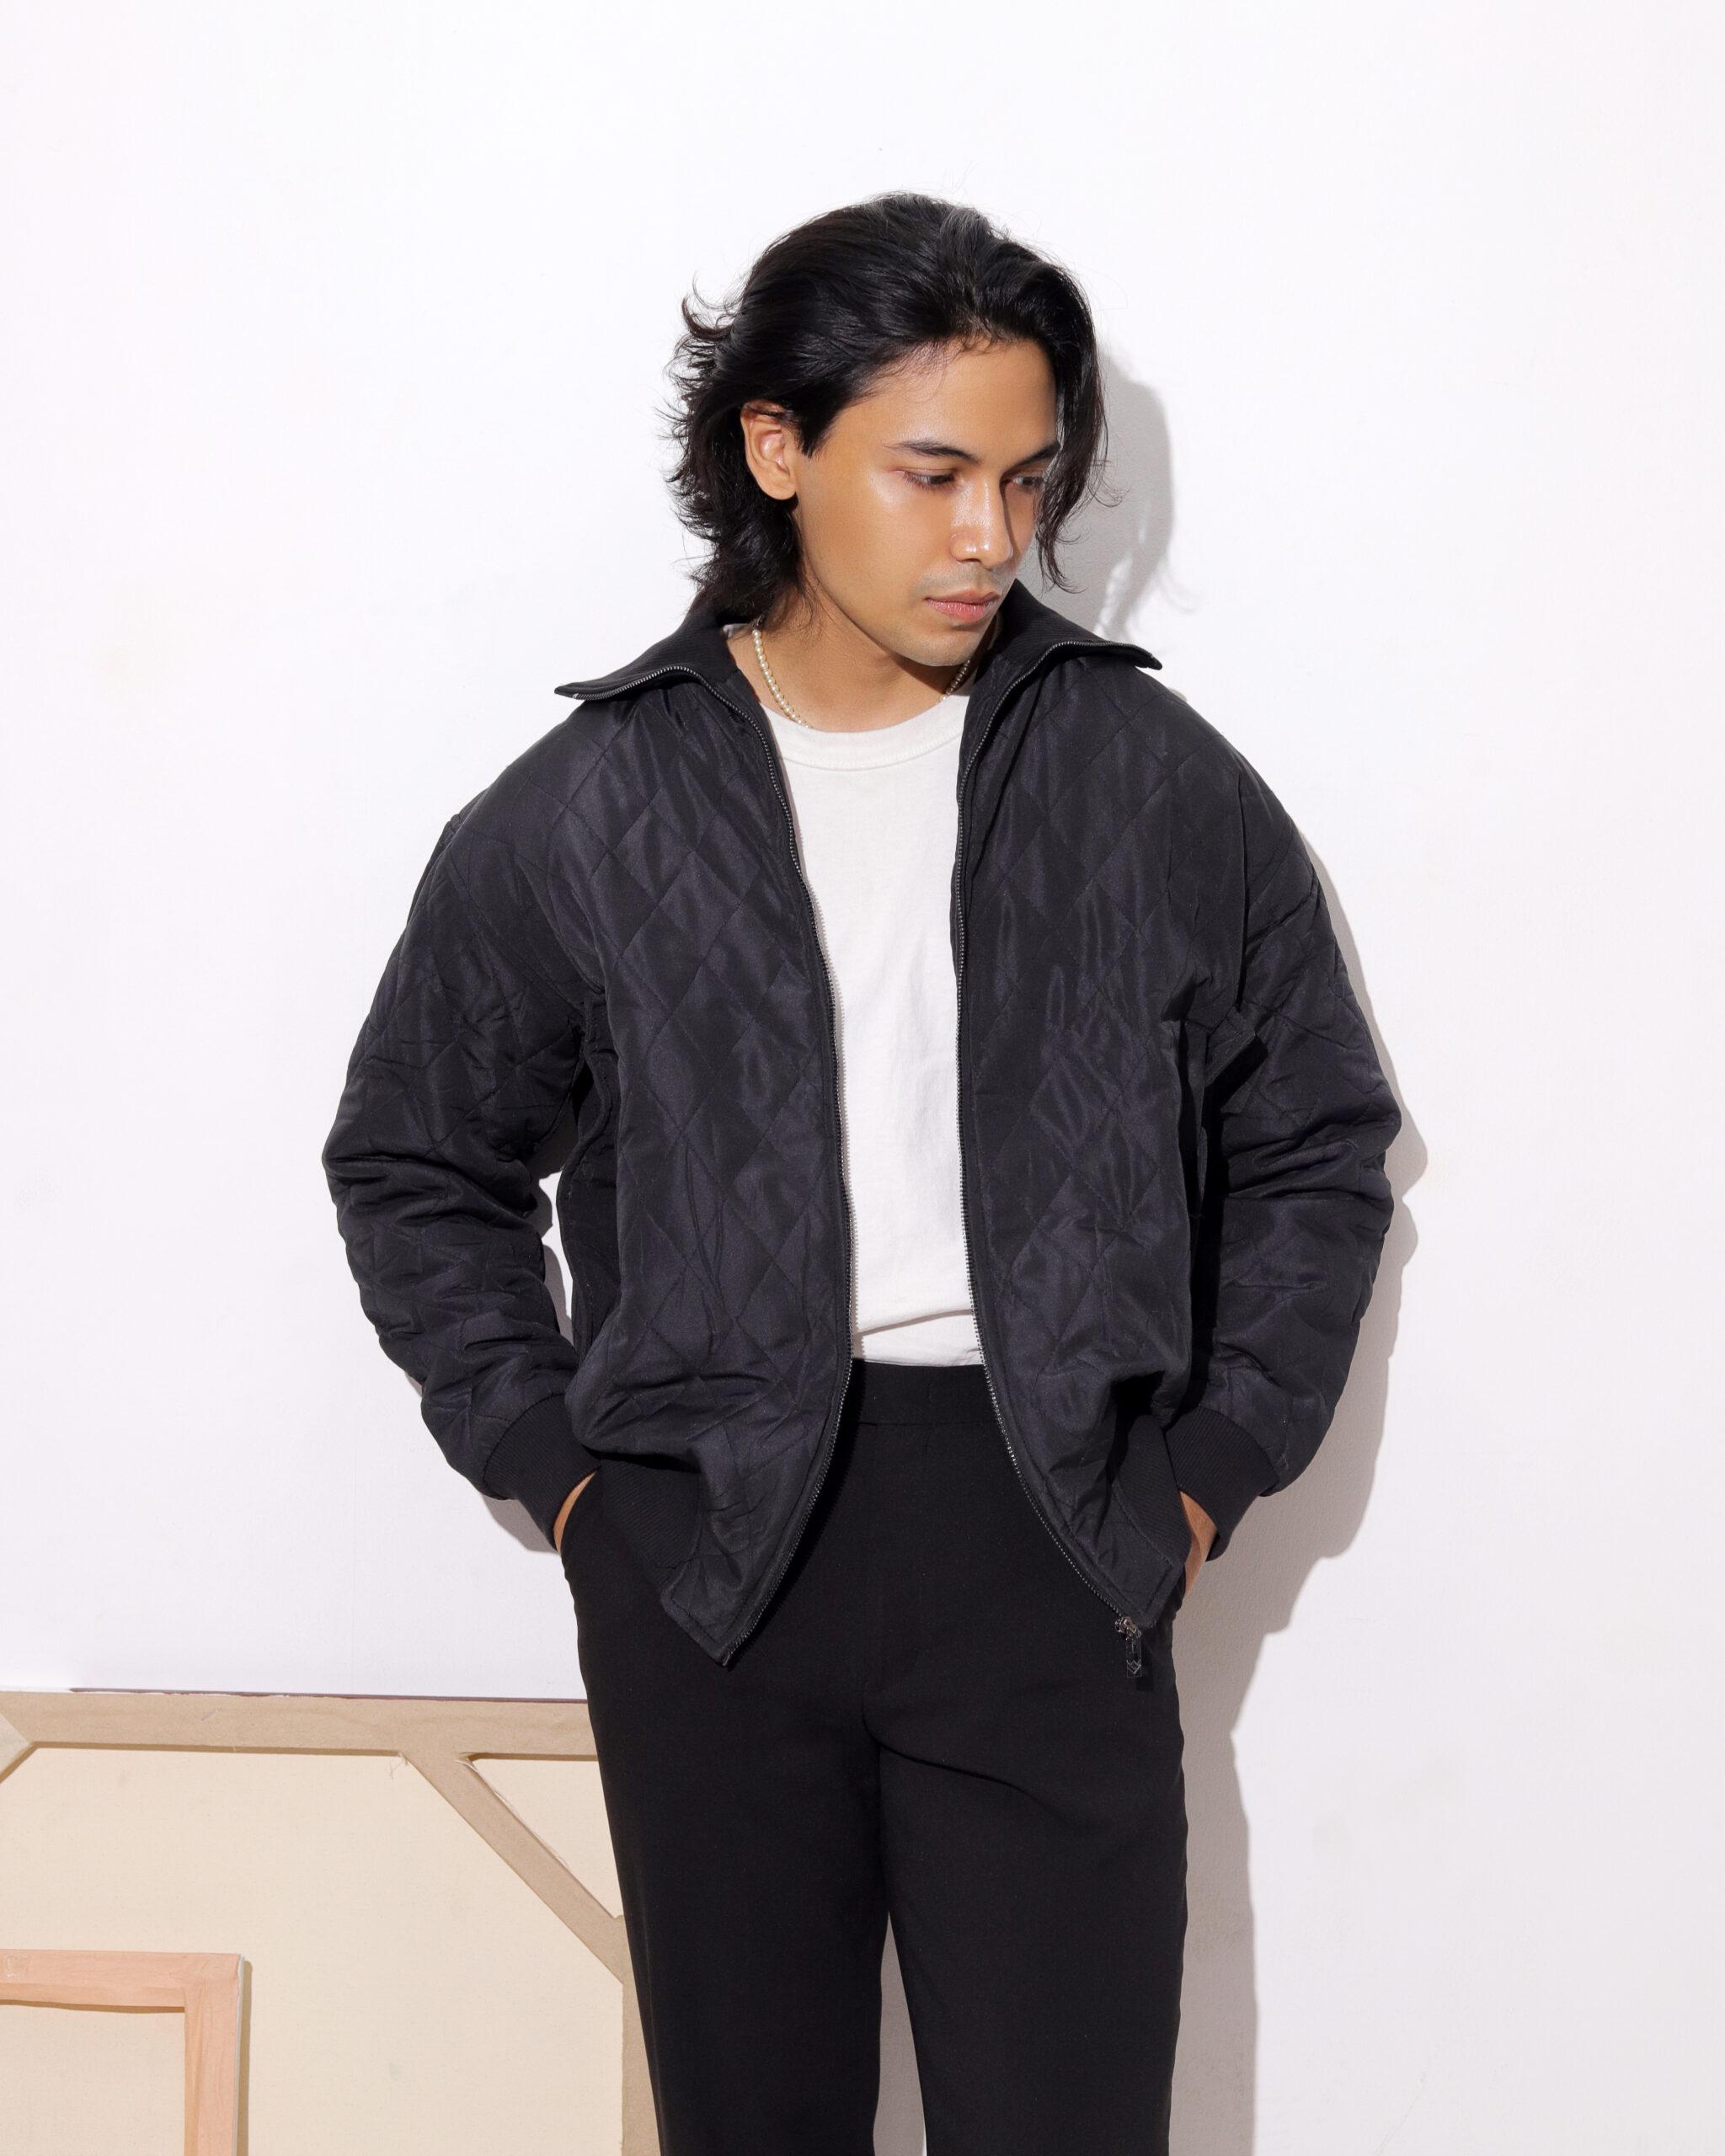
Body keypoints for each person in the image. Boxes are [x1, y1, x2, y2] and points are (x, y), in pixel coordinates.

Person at [322, 190, 1402, 2156]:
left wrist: (1209, 1464)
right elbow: (416, 1155)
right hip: (709, 1555)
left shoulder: (1142, 780)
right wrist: (565, 1479)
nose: (989, 534)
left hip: (1048, 1529)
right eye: (931, 472)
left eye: (1025, 477)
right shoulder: (593, 804)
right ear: (776, 446)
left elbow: (1314, 1132)